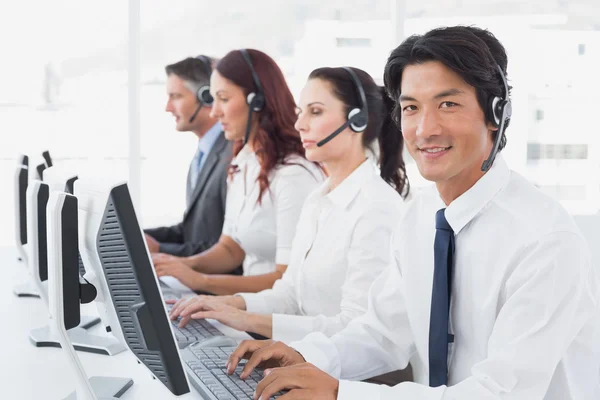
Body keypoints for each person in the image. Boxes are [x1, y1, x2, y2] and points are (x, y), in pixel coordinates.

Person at [223, 26, 600, 400]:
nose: (425, 129)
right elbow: (383, 331)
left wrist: (340, 393)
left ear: (496, 114)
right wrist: (306, 356)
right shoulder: (421, 213)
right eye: (411, 108)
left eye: (448, 104)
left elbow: (498, 393)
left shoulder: (545, 242)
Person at [168, 66, 411, 343]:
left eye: (315, 112)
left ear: (357, 120)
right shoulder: (318, 199)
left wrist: (247, 320)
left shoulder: (377, 207)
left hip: (351, 376)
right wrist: (227, 305)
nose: (300, 124)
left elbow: (355, 329)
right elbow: (290, 294)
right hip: (306, 356)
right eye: (300, 112)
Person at [153, 49, 324, 296]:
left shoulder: (293, 175)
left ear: (257, 101)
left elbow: (288, 280)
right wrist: (179, 265)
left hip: (274, 320)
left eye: (223, 99)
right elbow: (231, 248)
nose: (214, 112)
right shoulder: (243, 164)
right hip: (248, 308)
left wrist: (200, 281)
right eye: (213, 99)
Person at [145, 56, 233, 258]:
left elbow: (230, 248)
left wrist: (161, 250)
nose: (168, 107)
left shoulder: (232, 155)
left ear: (207, 97)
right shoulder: (205, 152)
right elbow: (193, 230)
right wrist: (134, 236)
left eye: (175, 96)